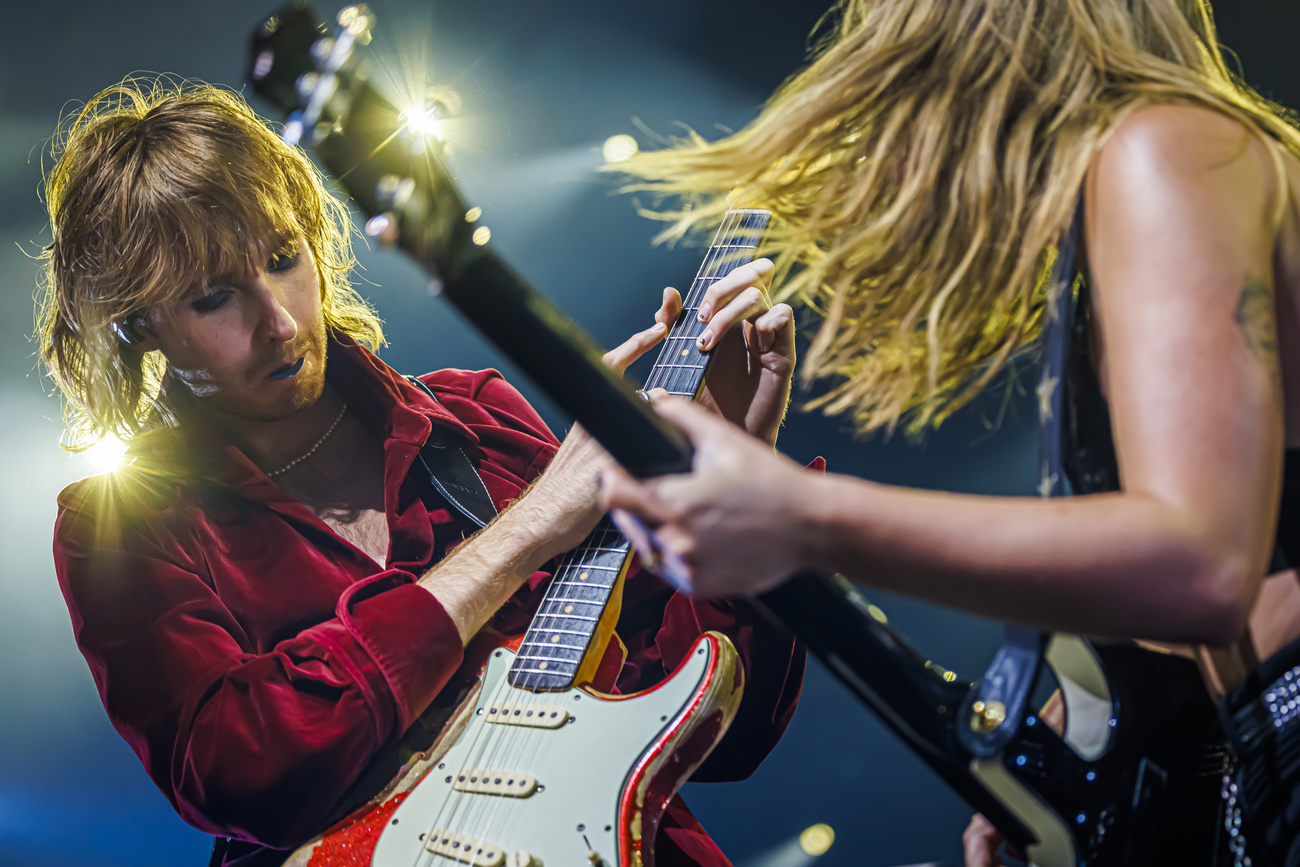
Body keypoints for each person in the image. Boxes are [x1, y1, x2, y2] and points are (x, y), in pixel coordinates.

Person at [600, 0, 1300, 864]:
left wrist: (805, 514)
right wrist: (1072, 744)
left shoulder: (1165, 148)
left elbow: (1200, 565)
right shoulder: (1160, 168)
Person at [37, 81, 803, 867]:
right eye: (215, 298)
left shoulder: (477, 414)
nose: (281, 321)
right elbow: (241, 766)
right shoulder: (119, 527)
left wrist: (747, 469)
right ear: (138, 327)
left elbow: (719, 727)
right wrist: (526, 529)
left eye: (283, 257)